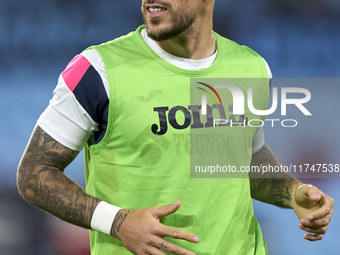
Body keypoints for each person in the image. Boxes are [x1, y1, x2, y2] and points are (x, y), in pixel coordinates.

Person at [17, 0, 334, 254]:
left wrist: (293, 193)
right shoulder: (97, 71)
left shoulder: (251, 67)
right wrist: (118, 222)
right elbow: (34, 172)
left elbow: (242, 158)